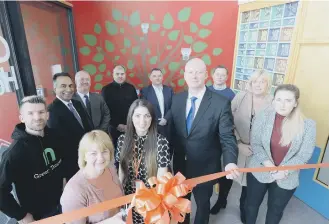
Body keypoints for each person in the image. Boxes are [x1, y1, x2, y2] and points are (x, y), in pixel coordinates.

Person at [170, 58, 239, 224]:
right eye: (191, 72)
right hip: (181, 164)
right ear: (185, 75)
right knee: (181, 203)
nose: (195, 76)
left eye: (199, 72)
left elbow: (227, 136)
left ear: (206, 75)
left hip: (206, 167)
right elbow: (172, 133)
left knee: (202, 205)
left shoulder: (220, 103)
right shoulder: (176, 99)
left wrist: (230, 161)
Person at [246, 84, 316, 224]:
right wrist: (268, 164)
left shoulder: (308, 125)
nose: (282, 104)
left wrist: (284, 170)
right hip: (259, 170)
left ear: (296, 103)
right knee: (251, 206)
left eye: (288, 100)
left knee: (275, 211)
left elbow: (304, 154)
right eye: (278, 99)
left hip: (287, 177)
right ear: (273, 100)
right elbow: (256, 144)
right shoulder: (262, 117)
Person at [211, 70, 273, 222]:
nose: (258, 85)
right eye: (255, 82)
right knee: (228, 177)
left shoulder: (273, 101)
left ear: (268, 84)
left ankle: (243, 207)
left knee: (250, 183)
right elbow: (226, 119)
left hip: (259, 152)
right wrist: (238, 142)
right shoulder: (241, 96)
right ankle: (221, 200)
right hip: (236, 145)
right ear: (250, 84)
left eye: (262, 81)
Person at [0, 96, 64, 223]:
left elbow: (62, 163)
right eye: (30, 113)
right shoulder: (14, 153)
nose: (37, 117)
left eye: (41, 112)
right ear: (22, 118)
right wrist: (21, 215)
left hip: (64, 203)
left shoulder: (55, 136)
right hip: (38, 215)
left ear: (47, 115)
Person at [115, 99, 171, 224]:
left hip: (151, 197)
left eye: (147, 116)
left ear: (152, 118)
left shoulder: (160, 142)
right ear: (131, 117)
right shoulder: (122, 140)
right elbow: (121, 173)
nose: (142, 121)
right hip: (129, 196)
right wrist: (119, 197)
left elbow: (161, 178)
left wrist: (155, 203)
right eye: (138, 116)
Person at [61, 130, 124, 224]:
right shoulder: (74, 191)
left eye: (104, 151)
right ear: (84, 156)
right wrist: (111, 221)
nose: (100, 158)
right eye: (93, 153)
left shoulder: (110, 170)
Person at [48, 72, 93, 180]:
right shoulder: (52, 111)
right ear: (55, 89)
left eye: (70, 85)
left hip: (88, 157)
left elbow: (87, 127)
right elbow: (58, 143)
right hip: (72, 164)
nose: (68, 89)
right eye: (63, 86)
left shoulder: (77, 103)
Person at [208, 65, 236, 215]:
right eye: (217, 74)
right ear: (212, 75)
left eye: (222, 75)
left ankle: (222, 199)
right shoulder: (206, 91)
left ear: (226, 77)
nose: (219, 77)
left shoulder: (232, 95)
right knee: (213, 169)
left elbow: (234, 118)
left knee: (226, 170)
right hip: (208, 139)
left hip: (224, 137)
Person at [101, 65, 138, 156]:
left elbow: (136, 107)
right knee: (118, 152)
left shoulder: (131, 88)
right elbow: (105, 110)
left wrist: (130, 124)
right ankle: (119, 169)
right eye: (117, 74)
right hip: (114, 127)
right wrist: (117, 124)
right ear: (113, 75)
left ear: (125, 75)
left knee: (133, 150)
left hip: (130, 125)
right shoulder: (106, 90)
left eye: (122, 74)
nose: (120, 76)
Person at [140, 68, 174, 141]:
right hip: (152, 125)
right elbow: (144, 109)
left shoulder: (169, 90)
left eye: (159, 76)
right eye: (154, 76)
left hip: (167, 125)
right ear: (150, 78)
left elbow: (173, 106)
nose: (157, 78)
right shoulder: (145, 91)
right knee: (153, 148)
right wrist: (156, 121)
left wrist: (165, 119)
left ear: (162, 77)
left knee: (168, 147)